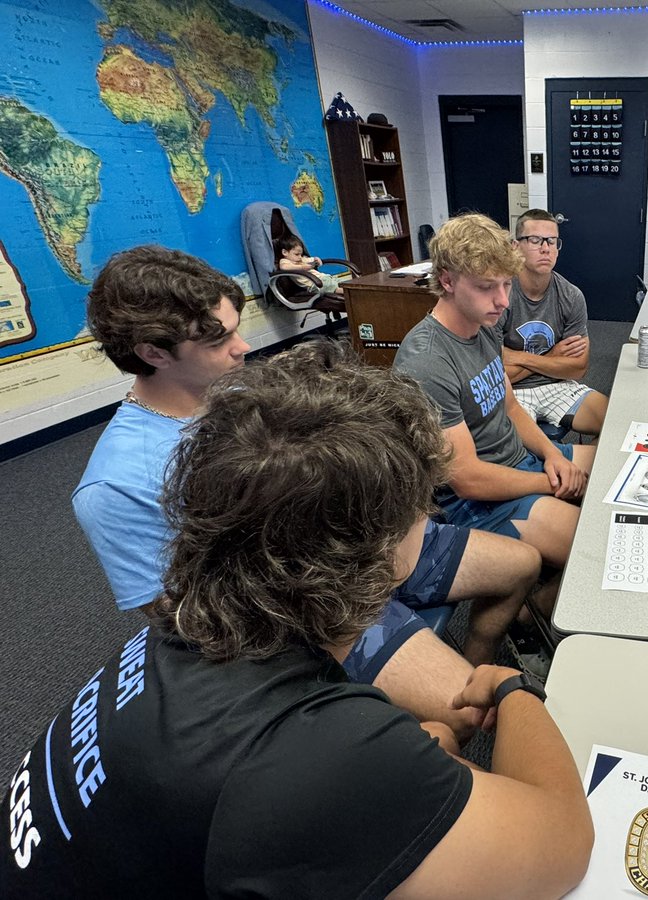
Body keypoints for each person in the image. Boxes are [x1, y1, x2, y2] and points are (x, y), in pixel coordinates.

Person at [2, 341, 594, 897]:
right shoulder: (311, 758)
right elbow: (565, 842)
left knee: (435, 745)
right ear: (387, 551)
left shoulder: (187, 627)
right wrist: (513, 689)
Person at [72, 246, 541, 739]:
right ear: (153, 353)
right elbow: (183, 619)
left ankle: (466, 668)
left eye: (236, 327)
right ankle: (410, 730)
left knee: (521, 565)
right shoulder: (115, 484)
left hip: (365, 552)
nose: (242, 348)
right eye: (217, 339)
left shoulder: (244, 390)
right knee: (464, 715)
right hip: (303, 610)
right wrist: (333, 580)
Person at [394, 214, 596, 573]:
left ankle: (531, 602)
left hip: (516, 461)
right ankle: (523, 614)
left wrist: (552, 454)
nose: (502, 301)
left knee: (615, 465)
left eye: (506, 284)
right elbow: (468, 478)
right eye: (487, 287)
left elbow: (512, 408)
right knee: (596, 554)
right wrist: (552, 481)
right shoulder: (427, 360)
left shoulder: (482, 325)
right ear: (447, 281)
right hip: (474, 501)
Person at [499, 209, 608, 436]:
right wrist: (553, 356)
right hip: (511, 392)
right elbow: (493, 375)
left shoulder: (571, 295)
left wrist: (515, 356)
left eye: (552, 241)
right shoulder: (500, 295)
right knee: (516, 449)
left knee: (615, 423)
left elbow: (578, 368)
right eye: (535, 240)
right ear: (515, 247)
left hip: (559, 386)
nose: (545, 248)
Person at [275, 233, 343, 298]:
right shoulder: (285, 261)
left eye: (301, 254)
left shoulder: (301, 259)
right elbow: (284, 267)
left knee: (340, 282)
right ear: (285, 252)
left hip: (324, 278)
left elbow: (311, 259)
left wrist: (316, 259)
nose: (300, 257)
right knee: (332, 287)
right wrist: (301, 267)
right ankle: (347, 293)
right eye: (296, 254)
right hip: (314, 285)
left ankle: (349, 291)